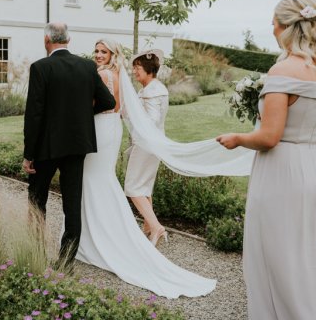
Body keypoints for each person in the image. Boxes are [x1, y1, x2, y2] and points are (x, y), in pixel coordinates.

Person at [216, 0, 316, 319]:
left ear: (286, 27)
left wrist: (237, 138)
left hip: (280, 170)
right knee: (303, 253)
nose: (272, 30)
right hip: (312, 165)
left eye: (273, 24)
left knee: (273, 253)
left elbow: (269, 137)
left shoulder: (282, 71)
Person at [76, 38, 216, 298]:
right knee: (139, 186)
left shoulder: (117, 79)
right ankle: (146, 228)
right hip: (127, 134)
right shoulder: (140, 83)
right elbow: (126, 110)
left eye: (103, 51)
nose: (97, 55)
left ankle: (154, 226)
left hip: (130, 138)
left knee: (129, 187)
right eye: (96, 50)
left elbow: (132, 114)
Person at [22, 23, 116, 267]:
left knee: (36, 200)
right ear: (69, 40)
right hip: (76, 146)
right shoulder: (87, 66)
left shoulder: (40, 67)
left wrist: (28, 154)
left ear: (46, 40)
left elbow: (34, 114)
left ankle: (34, 251)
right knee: (72, 205)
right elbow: (108, 101)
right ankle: (65, 262)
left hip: (46, 147)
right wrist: (84, 113)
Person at [123, 49, 170, 247]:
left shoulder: (152, 92)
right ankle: (148, 227)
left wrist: (133, 116)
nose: (134, 72)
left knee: (133, 187)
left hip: (146, 145)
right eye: (134, 68)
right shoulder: (152, 88)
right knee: (145, 186)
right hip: (154, 145)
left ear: (149, 69)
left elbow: (152, 120)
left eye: (138, 68)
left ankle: (156, 226)